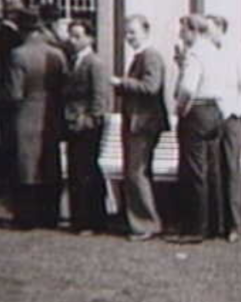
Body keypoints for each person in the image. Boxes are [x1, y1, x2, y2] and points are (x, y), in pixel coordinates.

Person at [6, 11, 68, 229]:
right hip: (52, 114)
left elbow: (15, 93)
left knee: (26, 165)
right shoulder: (57, 54)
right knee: (50, 164)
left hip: (27, 114)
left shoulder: (18, 55)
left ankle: (25, 217)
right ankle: (50, 215)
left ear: (23, 30)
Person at [111, 15, 170, 241]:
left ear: (146, 31)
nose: (129, 37)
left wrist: (121, 83)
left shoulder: (150, 56)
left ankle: (147, 223)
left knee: (137, 173)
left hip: (143, 124)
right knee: (135, 171)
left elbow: (151, 87)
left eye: (133, 32)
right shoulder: (140, 56)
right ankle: (138, 219)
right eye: (127, 33)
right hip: (137, 122)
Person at [173, 14, 226, 244]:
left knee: (194, 170)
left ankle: (195, 227)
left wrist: (180, 110)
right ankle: (216, 224)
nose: (180, 35)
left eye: (183, 30)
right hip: (215, 111)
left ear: (193, 31)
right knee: (212, 170)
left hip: (197, 112)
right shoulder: (215, 52)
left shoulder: (195, 54)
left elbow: (187, 88)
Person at [208, 15, 241, 243]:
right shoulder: (209, 53)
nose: (206, 34)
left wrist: (235, 111)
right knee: (214, 168)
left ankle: (234, 224)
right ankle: (217, 222)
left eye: (210, 29)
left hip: (232, 117)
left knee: (231, 168)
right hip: (211, 117)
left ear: (220, 29)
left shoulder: (240, 53)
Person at [62, 20, 110, 234]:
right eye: (71, 35)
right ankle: (80, 217)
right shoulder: (74, 61)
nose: (73, 40)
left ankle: (91, 220)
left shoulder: (94, 63)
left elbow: (100, 95)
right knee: (78, 170)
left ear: (90, 38)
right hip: (73, 123)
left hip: (87, 125)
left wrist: (91, 119)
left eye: (78, 36)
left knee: (86, 171)